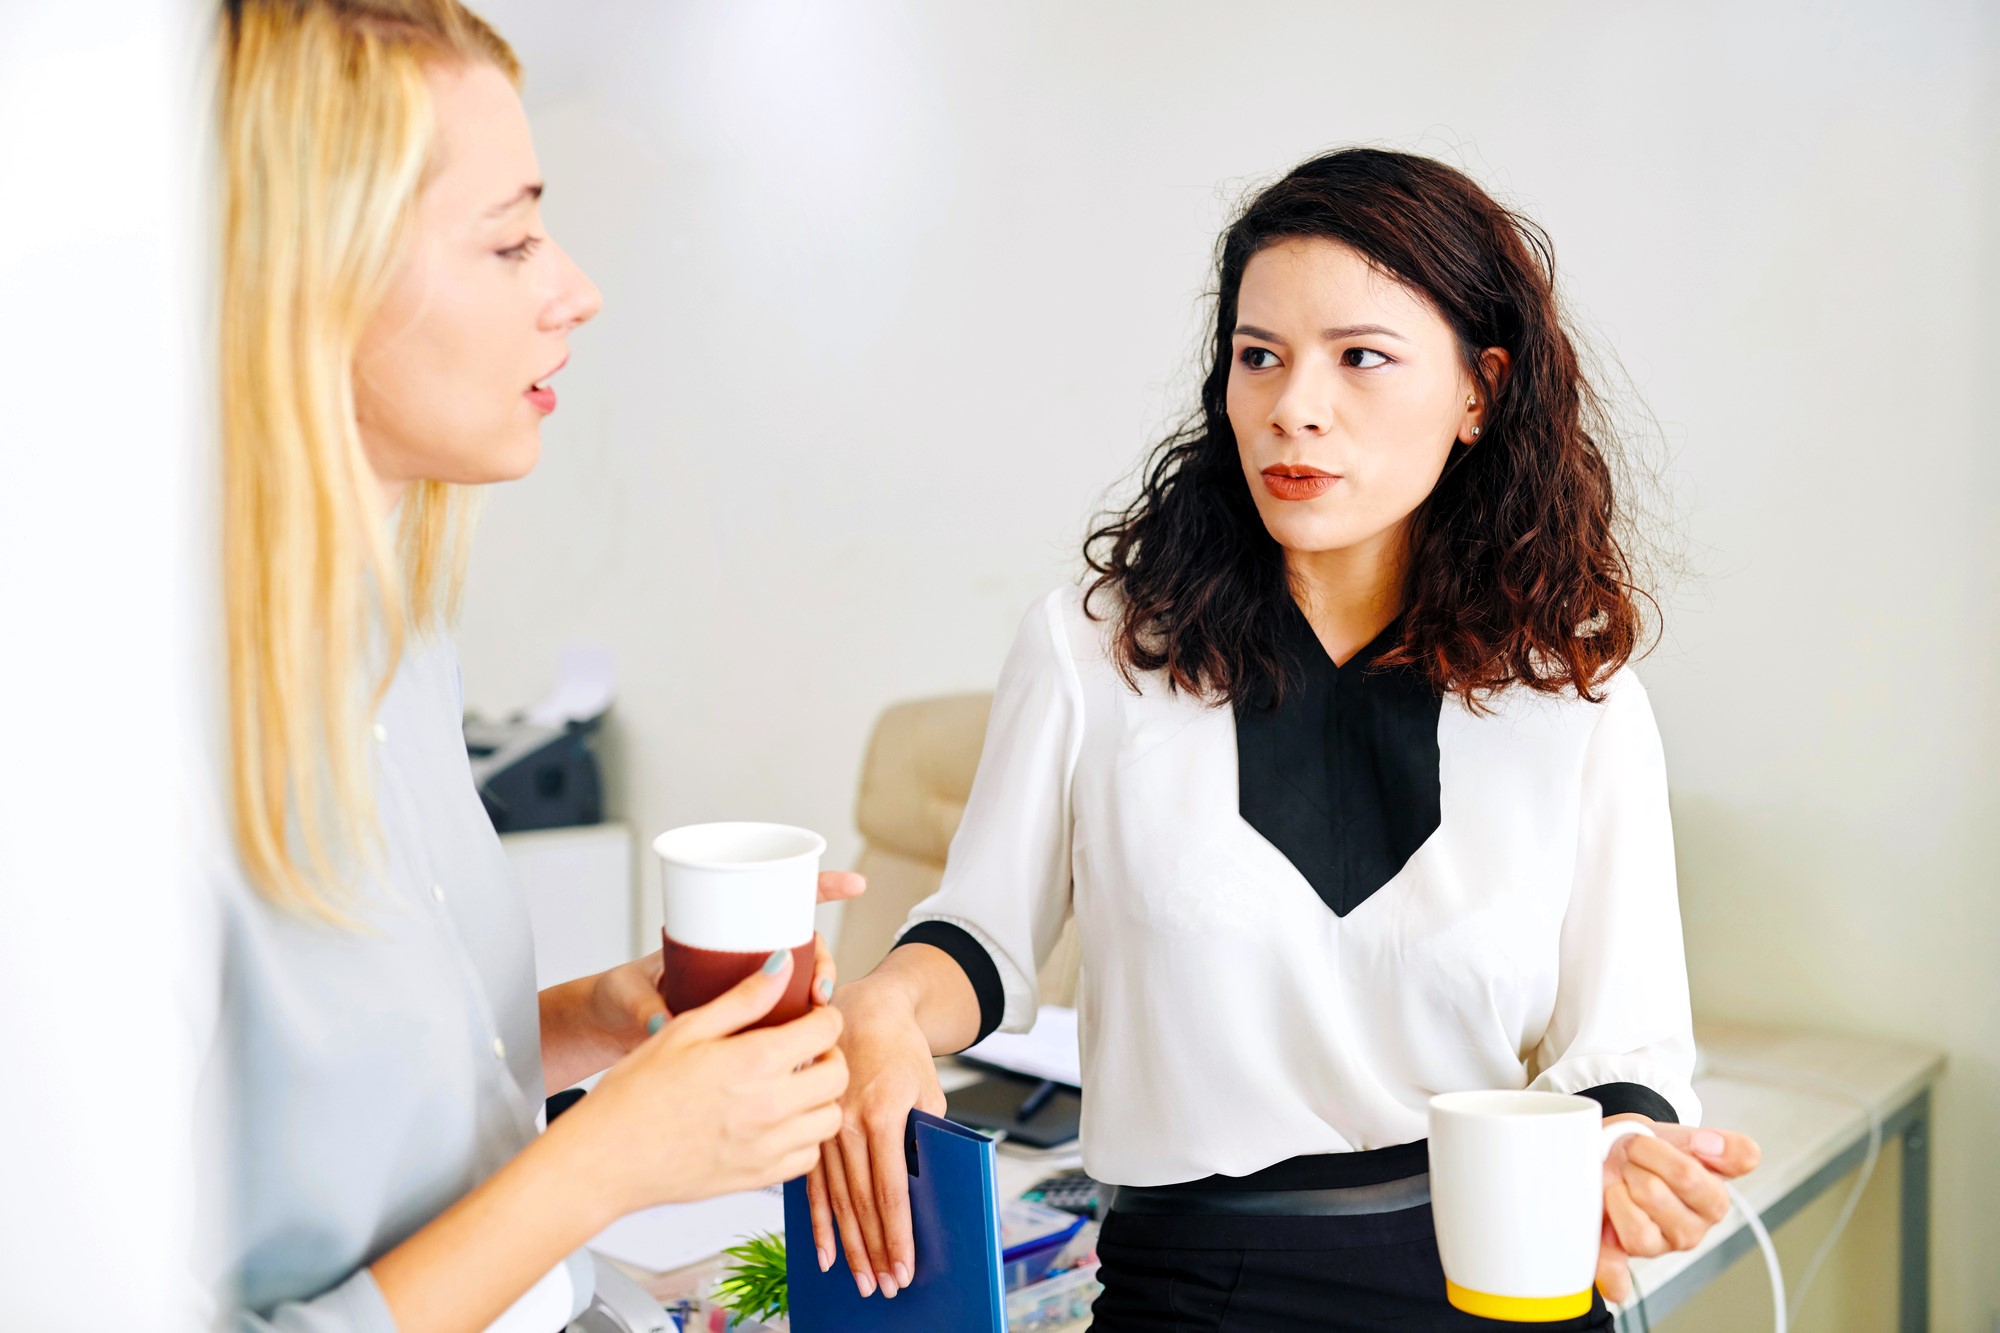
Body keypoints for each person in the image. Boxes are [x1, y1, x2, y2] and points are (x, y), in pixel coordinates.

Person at [808, 148, 1761, 1328]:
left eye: (1360, 357)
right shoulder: (1097, 648)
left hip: (1503, 1278)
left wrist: (1625, 1150)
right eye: (1258, 355)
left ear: (1478, 392)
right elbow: (981, 936)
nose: (1290, 406)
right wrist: (888, 1006)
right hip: (1190, 1291)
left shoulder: (1573, 697)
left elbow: (1623, 1045)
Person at [205, 3, 852, 1328]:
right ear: (302, 278)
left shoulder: (390, 637)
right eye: (508, 240)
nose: (576, 288)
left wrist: (580, 1021)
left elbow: (320, 1114)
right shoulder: (124, 738)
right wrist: (607, 1159)